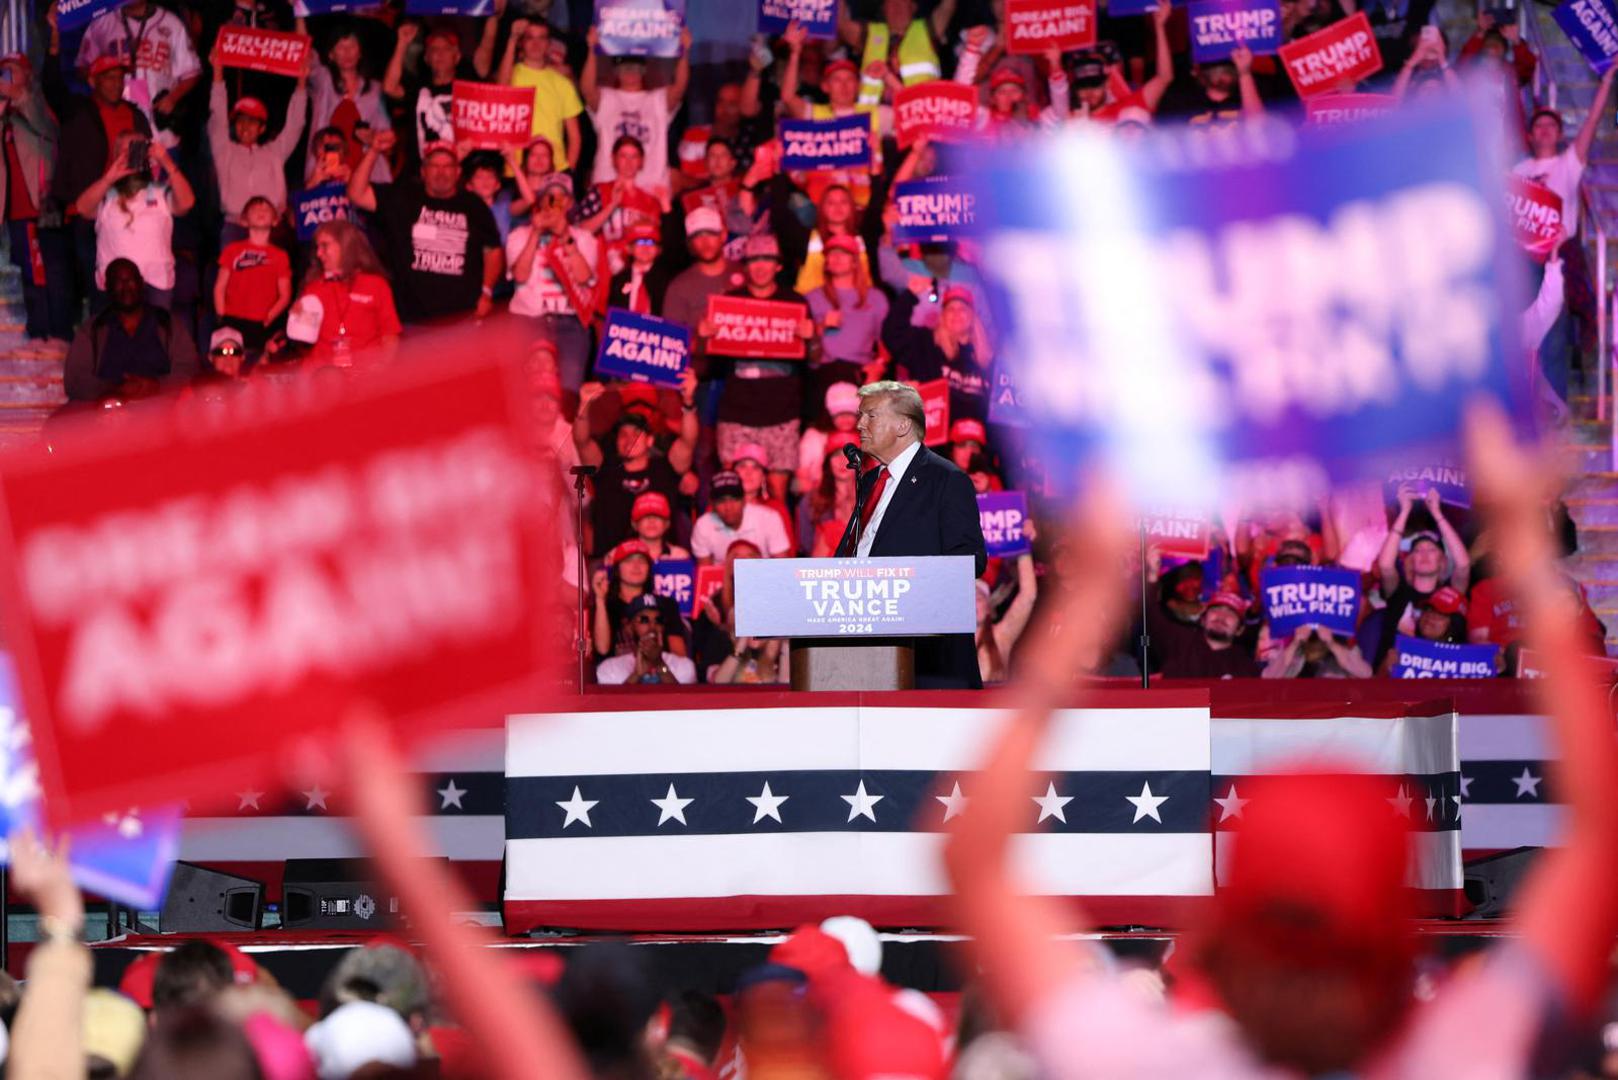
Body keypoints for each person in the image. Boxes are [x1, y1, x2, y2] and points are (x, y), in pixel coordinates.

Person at [944, 402, 1618, 1080]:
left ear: (1216, 938)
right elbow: (1600, 838)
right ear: (1402, 936)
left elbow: (973, 861)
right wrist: (1529, 555)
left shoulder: (1142, 1062)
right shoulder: (1472, 1055)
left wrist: (1086, 596)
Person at [839, 381, 988, 689]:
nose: (859, 424)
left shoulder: (947, 480)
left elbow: (970, 559)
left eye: (870, 416)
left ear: (903, 424)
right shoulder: (869, 481)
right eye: (860, 415)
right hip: (867, 650)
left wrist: (899, 584)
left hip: (925, 656)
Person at [349, 132, 502, 323]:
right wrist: (373, 151)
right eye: (434, 166)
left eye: (447, 166)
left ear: (458, 172)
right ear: (423, 171)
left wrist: (487, 292)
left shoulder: (474, 206)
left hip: (463, 318)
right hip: (413, 320)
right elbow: (356, 194)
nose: (441, 172)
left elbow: (492, 250)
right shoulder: (403, 198)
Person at [709, 234, 813, 502]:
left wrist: (811, 338)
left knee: (777, 494)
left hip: (782, 413)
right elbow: (711, 362)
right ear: (745, 265)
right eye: (754, 260)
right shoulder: (728, 302)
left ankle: (783, 545)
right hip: (737, 412)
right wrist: (705, 336)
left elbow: (813, 358)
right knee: (732, 493)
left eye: (767, 259)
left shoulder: (796, 303)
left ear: (778, 265)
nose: (761, 266)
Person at [77, 130, 195, 310]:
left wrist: (167, 162)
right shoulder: (105, 194)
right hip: (115, 284)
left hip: (157, 283)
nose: (131, 155)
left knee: (157, 336)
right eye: (125, 151)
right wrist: (110, 177)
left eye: (136, 149)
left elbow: (186, 204)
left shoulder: (160, 191)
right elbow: (83, 209)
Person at [0, 53, 69, 345]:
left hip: (40, 204)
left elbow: (46, 126)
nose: (6, 78)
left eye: (12, 71)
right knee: (29, 270)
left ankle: (53, 330)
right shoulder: (4, 110)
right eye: (3, 72)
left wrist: (21, 95)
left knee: (46, 270)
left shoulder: (38, 103)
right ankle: (38, 328)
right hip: (15, 206)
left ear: (28, 75)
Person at [506, 173, 598, 388]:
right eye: (549, 196)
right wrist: (535, 234)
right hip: (527, 321)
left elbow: (584, 277)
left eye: (561, 197)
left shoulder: (584, 238)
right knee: (524, 390)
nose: (554, 202)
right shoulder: (519, 235)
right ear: (540, 201)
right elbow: (520, 275)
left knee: (569, 390)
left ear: (570, 203)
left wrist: (565, 237)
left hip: (570, 323)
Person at [206, 41, 308, 232]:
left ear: (262, 129)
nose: (245, 127)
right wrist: (217, 72)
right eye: (240, 121)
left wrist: (301, 83)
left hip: (272, 227)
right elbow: (217, 115)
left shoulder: (274, 152)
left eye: (252, 122)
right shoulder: (224, 149)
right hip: (235, 226)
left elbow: (296, 124)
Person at [64, 257, 200, 400]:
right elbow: (74, 381)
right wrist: (115, 389)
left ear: (141, 283)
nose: (126, 287)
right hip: (108, 412)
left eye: (130, 280)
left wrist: (157, 385)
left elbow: (189, 368)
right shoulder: (93, 329)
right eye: (118, 282)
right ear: (107, 287)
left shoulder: (166, 323)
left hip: (161, 411)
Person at [581, 25, 690, 201]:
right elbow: (587, 89)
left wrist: (684, 52)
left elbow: (679, 88)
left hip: (651, 190)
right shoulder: (606, 97)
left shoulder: (658, 99)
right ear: (616, 71)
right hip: (608, 186)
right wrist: (592, 50)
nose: (630, 72)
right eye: (625, 67)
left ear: (644, 70)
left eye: (635, 67)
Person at [1372, 485, 1472, 667]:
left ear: (1442, 560)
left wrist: (1437, 513)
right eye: (1418, 551)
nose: (1425, 555)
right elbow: (1385, 565)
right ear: (1410, 560)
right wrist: (1404, 511)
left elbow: (1463, 565)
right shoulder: (1399, 591)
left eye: (1432, 550)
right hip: (1394, 676)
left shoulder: (1450, 592)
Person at [383, 23, 501, 170]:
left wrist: (493, 18)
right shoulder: (419, 87)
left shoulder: (469, 87)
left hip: (460, 174)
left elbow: (484, 60)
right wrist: (402, 43)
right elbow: (389, 87)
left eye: (446, 49)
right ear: (427, 58)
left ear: (457, 57)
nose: (440, 54)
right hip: (421, 174)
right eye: (434, 49)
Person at [74, 0, 201, 135]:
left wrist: (173, 97)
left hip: (159, 125)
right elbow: (83, 66)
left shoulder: (172, 23)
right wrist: (98, 80)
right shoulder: (101, 22)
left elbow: (191, 71)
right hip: (113, 123)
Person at [286, 218, 401, 366]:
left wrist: (381, 372)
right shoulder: (312, 288)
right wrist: (296, 323)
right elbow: (302, 346)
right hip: (322, 376)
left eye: (324, 246)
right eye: (317, 247)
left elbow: (390, 336)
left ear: (345, 246)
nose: (319, 253)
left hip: (365, 377)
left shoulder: (376, 285)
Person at [883, 284, 990, 422]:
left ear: (972, 316)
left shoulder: (987, 361)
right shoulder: (925, 343)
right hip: (933, 437)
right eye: (950, 309)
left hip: (972, 439)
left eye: (962, 309)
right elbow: (892, 334)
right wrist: (910, 294)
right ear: (942, 316)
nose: (956, 314)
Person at [590, 412, 689, 557]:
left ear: (649, 440)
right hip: (611, 562)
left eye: (636, 434)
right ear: (616, 441)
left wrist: (688, 406)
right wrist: (584, 408)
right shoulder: (605, 470)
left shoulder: (665, 469)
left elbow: (688, 441)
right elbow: (582, 441)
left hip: (663, 561)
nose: (629, 440)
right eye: (623, 434)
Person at [307, 26, 393, 182]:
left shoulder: (375, 89)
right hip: (326, 170)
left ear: (360, 53)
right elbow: (305, 52)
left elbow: (387, 133)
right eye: (341, 47)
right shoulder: (324, 80)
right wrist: (300, 11)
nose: (347, 52)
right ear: (331, 55)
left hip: (366, 173)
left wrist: (373, 137)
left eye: (352, 46)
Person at [807, 236, 888, 398]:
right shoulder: (812, 297)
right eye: (832, 253)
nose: (837, 257)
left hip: (860, 375)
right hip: (823, 375)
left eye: (844, 253)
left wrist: (877, 368)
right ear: (826, 262)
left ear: (855, 262)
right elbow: (802, 346)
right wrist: (821, 326)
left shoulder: (876, 298)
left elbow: (885, 345)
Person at [498, 19, 583, 171]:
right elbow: (501, 88)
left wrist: (569, 172)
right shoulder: (511, 75)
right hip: (516, 167)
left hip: (556, 169)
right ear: (522, 43)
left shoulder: (563, 83)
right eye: (530, 38)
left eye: (541, 38)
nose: (536, 44)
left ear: (549, 44)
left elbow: (574, 137)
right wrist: (512, 39)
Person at [213, 196, 292, 352]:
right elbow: (220, 286)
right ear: (244, 220)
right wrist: (222, 316)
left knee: (259, 363)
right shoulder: (232, 250)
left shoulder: (280, 255)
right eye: (254, 210)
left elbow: (285, 293)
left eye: (266, 210)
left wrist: (270, 316)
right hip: (232, 319)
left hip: (262, 321)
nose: (260, 212)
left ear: (275, 220)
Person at [592, 538, 689, 661]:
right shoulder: (607, 605)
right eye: (628, 561)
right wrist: (600, 600)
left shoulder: (666, 604)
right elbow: (602, 649)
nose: (636, 566)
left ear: (649, 569)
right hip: (617, 676)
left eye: (642, 561)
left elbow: (680, 658)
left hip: (660, 673)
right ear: (617, 569)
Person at [1145, 586, 1260, 678]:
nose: (1221, 616)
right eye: (1216, 610)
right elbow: (1150, 613)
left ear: (1239, 630)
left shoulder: (1246, 669)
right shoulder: (1179, 642)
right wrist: (1151, 575)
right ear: (1203, 620)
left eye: (1230, 613)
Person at [691, 469, 792, 564]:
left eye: (734, 499)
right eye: (721, 501)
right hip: (723, 581)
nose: (728, 507)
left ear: (744, 500)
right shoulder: (703, 526)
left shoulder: (769, 519)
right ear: (712, 504)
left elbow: (782, 570)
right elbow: (705, 575)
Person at [596, 593, 696, 685]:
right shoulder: (610, 667)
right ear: (629, 627)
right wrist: (636, 675)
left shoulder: (684, 665)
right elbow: (613, 703)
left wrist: (659, 664)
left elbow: (681, 702)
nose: (652, 627)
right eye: (644, 620)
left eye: (658, 620)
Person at [977, 549, 1039, 684]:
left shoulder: (1000, 637)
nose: (974, 602)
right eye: (968, 598)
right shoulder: (948, 642)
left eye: (980, 598)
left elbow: (1028, 596)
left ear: (988, 608)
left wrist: (1022, 547)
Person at [605, 221, 671, 315]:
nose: (645, 247)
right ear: (629, 248)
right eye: (639, 242)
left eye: (650, 242)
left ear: (658, 250)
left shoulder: (667, 279)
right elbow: (613, 314)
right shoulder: (618, 280)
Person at [628, 492, 690, 562]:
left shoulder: (680, 556)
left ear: (667, 524)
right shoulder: (618, 555)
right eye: (645, 516)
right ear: (634, 524)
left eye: (657, 516)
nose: (651, 521)